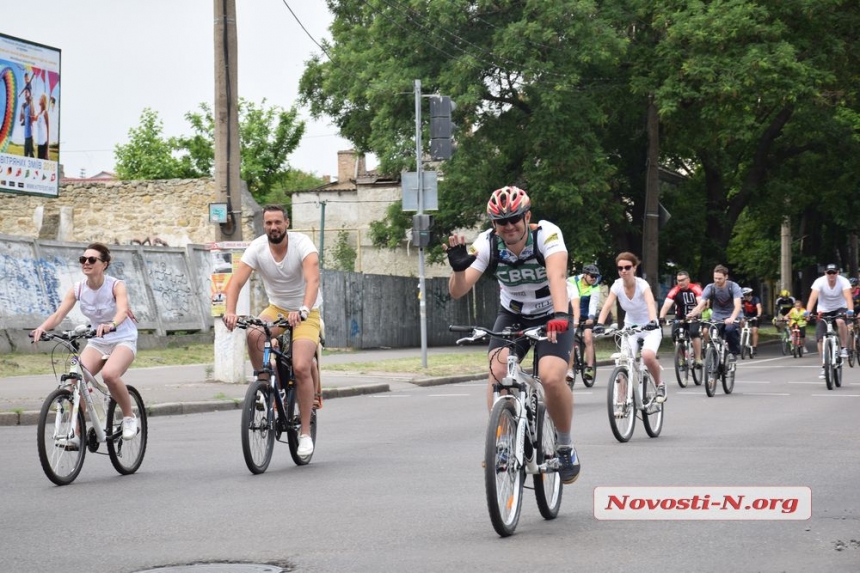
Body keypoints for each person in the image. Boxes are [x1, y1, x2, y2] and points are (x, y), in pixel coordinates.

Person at [443, 186, 580, 484]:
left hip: (551, 311)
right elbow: (458, 291)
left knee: (552, 377)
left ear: (527, 216)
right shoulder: (487, 244)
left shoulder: (547, 234)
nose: (509, 227)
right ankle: (504, 442)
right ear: (494, 224)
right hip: (513, 313)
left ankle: (566, 445)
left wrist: (559, 316)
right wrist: (456, 269)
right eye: (501, 222)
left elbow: (557, 276)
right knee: (498, 371)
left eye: (515, 219)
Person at [223, 205, 323, 457]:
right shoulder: (257, 248)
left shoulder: (302, 244)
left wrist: (302, 309)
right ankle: (265, 387)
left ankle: (305, 434)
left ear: (287, 223)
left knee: (300, 366)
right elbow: (235, 281)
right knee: (254, 333)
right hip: (277, 308)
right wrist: (230, 311)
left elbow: (313, 280)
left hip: (306, 311)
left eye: (278, 222)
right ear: (264, 225)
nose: (273, 227)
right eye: (268, 223)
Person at [30, 243, 139, 445]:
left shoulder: (116, 285)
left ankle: (129, 417)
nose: (86, 263)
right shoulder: (78, 289)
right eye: (83, 259)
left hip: (122, 338)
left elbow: (123, 310)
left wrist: (111, 324)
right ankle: (76, 434)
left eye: (91, 260)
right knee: (74, 382)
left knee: (109, 375)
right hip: (97, 340)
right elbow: (59, 314)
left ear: (104, 264)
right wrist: (42, 328)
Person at [593, 253, 665, 401]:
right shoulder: (617, 285)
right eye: (620, 268)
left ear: (634, 268)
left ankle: (659, 385)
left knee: (647, 355)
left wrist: (653, 321)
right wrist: (599, 324)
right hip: (630, 327)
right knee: (623, 361)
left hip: (649, 327)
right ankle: (621, 401)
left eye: (627, 267)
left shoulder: (642, 285)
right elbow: (607, 305)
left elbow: (650, 303)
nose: (623, 271)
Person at [686, 264, 743, 366]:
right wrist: (692, 313)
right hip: (717, 316)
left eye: (720, 278)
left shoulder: (733, 287)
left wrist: (732, 318)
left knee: (730, 330)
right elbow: (701, 304)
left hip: (732, 315)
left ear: (726, 277)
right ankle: (713, 357)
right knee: (712, 334)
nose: (717, 281)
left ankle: (733, 353)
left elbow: (737, 305)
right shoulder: (710, 287)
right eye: (715, 278)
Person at [804, 264, 854, 378]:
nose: (831, 275)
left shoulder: (844, 281)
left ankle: (844, 348)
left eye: (834, 272)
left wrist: (850, 310)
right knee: (820, 339)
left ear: (838, 273)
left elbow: (848, 297)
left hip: (840, 307)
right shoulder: (819, 282)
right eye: (829, 272)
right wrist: (807, 312)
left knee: (840, 321)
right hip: (823, 309)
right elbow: (812, 298)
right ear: (825, 273)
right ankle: (824, 366)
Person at [658, 270, 704, 367]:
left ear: (688, 279)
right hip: (680, 317)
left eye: (683, 280)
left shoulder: (696, 288)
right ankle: (681, 358)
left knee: (694, 333)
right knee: (674, 335)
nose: (680, 282)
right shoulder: (675, 290)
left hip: (694, 316)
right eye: (678, 280)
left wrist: (694, 313)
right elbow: (666, 305)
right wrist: (662, 316)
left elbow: (701, 304)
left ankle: (698, 358)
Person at [566, 264, 600, 382]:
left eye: (596, 276)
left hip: (586, 317)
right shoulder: (571, 281)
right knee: (569, 339)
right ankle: (569, 369)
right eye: (592, 276)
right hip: (572, 315)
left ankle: (589, 368)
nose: (594, 278)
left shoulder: (595, 287)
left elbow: (593, 304)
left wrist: (591, 317)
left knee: (588, 338)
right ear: (584, 275)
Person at [740, 287, 763, 356]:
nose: (743, 296)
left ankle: (754, 347)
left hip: (755, 317)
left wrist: (758, 315)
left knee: (754, 330)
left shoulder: (755, 299)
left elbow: (759, 308)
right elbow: (739, 308)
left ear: (749, 294)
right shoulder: (742, 300)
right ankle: (742, 338)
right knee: (741, 323)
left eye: (744, 295)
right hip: (746, 316)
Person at [18, 89, 35, 158]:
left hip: (31, 137)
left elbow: (32, 115)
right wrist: (21, 108)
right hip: (26, 137)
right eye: (24, 92)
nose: (25, 93)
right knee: (25, 157)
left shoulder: (31, 104)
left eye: (26, 92)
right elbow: (20, 119)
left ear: (30, 94)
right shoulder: (24, 106)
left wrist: (31, 102)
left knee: (32, 157)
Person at [35, 93, 50, 160]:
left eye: (41, 98)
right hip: (39, 145)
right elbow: (33, 118)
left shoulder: (45, 113)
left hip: (44, 145)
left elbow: (48, 130)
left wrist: (47, 149)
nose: (39, 99)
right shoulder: (38, 114)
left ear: (44, 100)